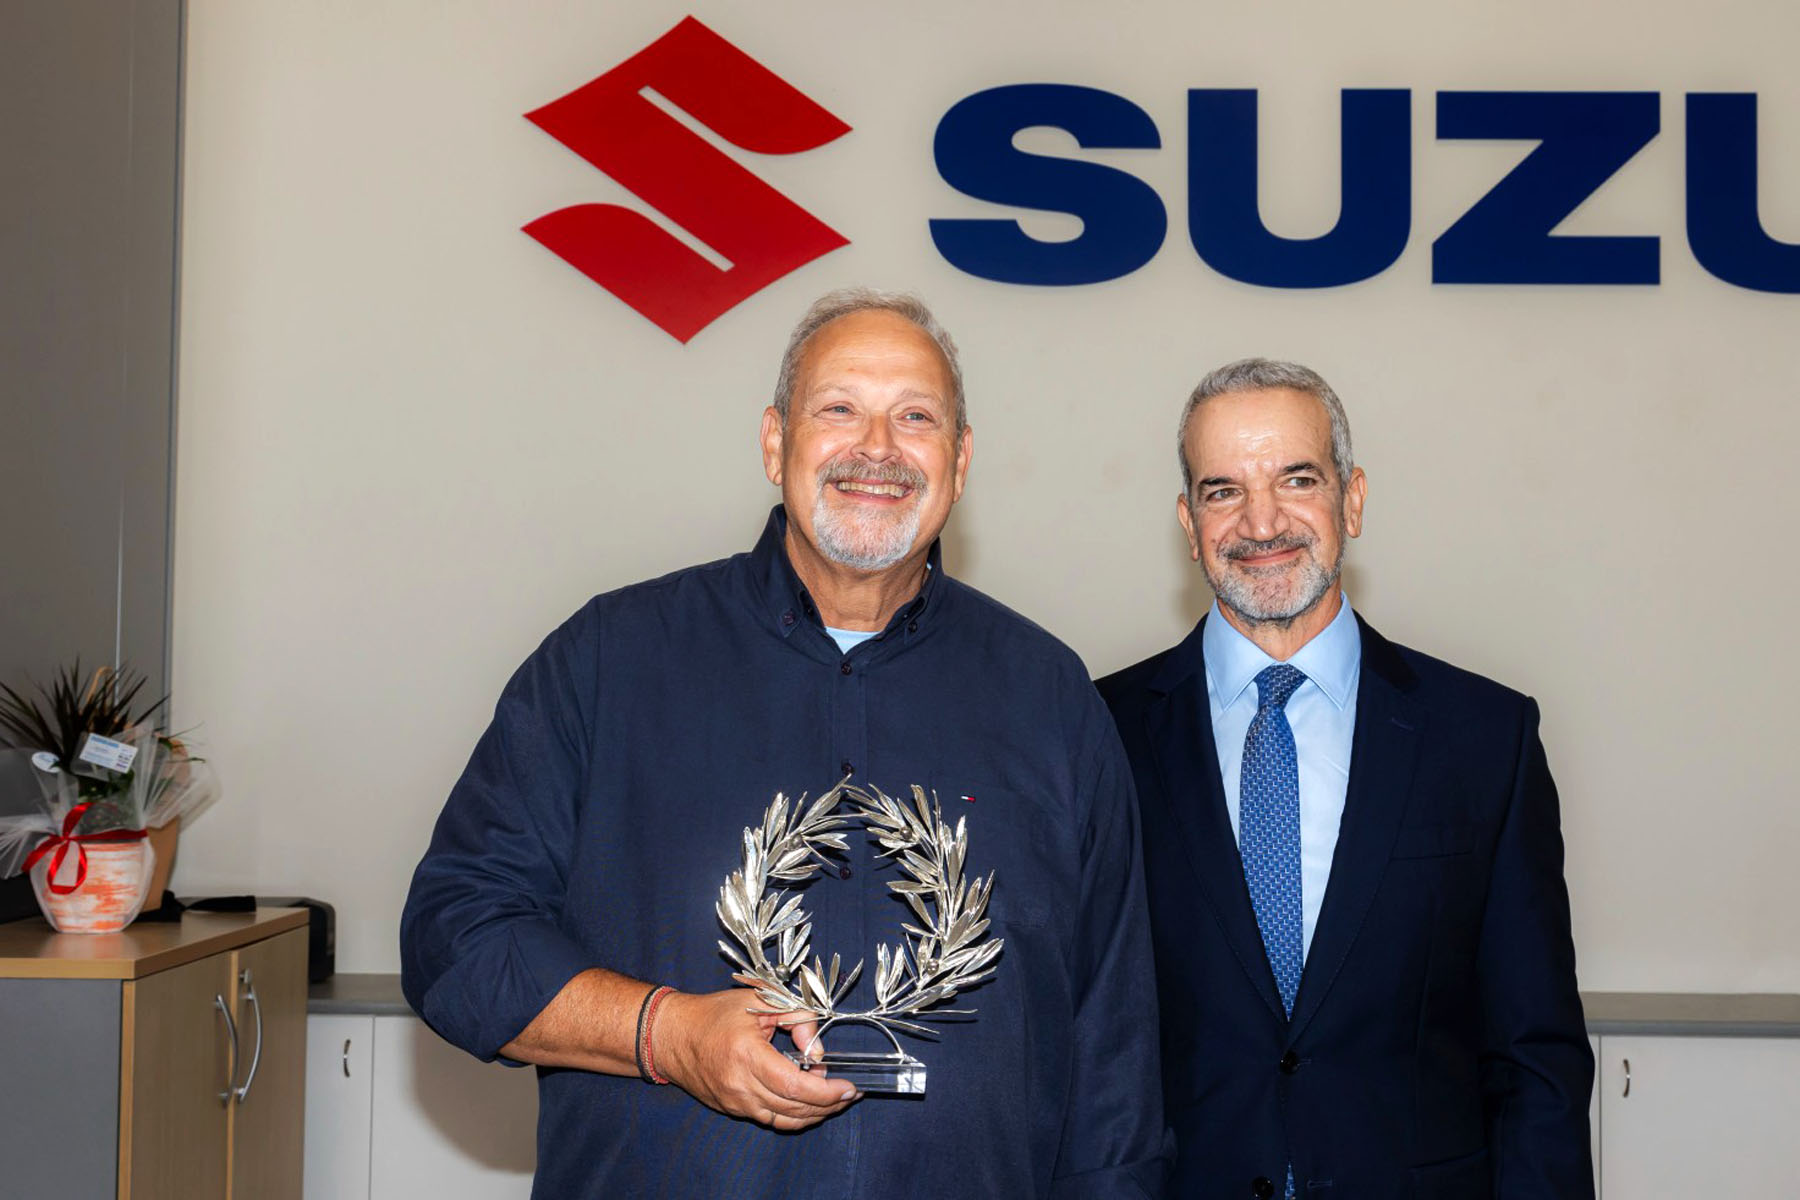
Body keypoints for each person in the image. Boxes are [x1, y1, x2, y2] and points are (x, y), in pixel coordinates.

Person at [400, 288, 1167, 1199]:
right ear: (774, 444)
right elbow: (456, 937)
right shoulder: (608, 662)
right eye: (839, 408)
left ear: (960, 462)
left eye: (915, 417)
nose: (877, 447)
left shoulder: (1050, 699)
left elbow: (1113, 1055)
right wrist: (667, 1034)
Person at [1097, 359, 1593, 1199]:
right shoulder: (1098, 734)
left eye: (1297, 479)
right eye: (1223, 490)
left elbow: (1535, 1060)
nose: (1262, 521)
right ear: (1189, 522)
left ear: (1352, 500)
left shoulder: (1484, 738)